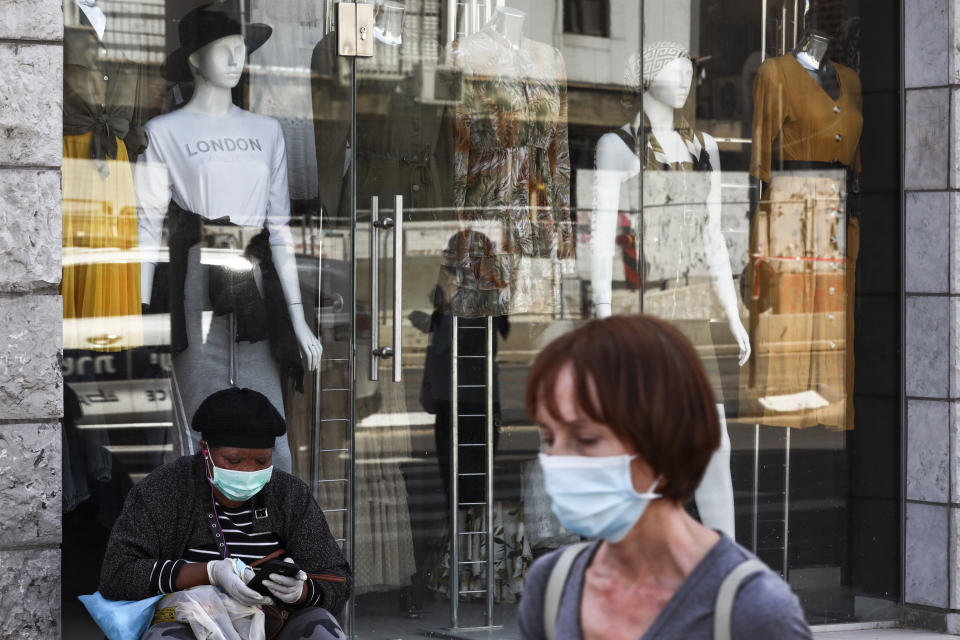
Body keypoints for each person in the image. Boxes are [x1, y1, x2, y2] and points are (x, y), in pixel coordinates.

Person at [518, 315, 811, 639]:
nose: (556, 461)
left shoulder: (754, 610)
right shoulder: (552, 586)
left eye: (586, 439)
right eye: (548, 438)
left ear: (661, 440)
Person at [98, 387, 351, 639]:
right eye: (233, 461)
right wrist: (209, 572)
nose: (247, 471)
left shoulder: (289, 493)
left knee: (321, 628)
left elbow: (337, 579)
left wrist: (301, 591)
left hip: (276, 624)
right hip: (192, 624)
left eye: (261, 462)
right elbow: (118, 575)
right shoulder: (164, 489)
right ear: (205, 450)